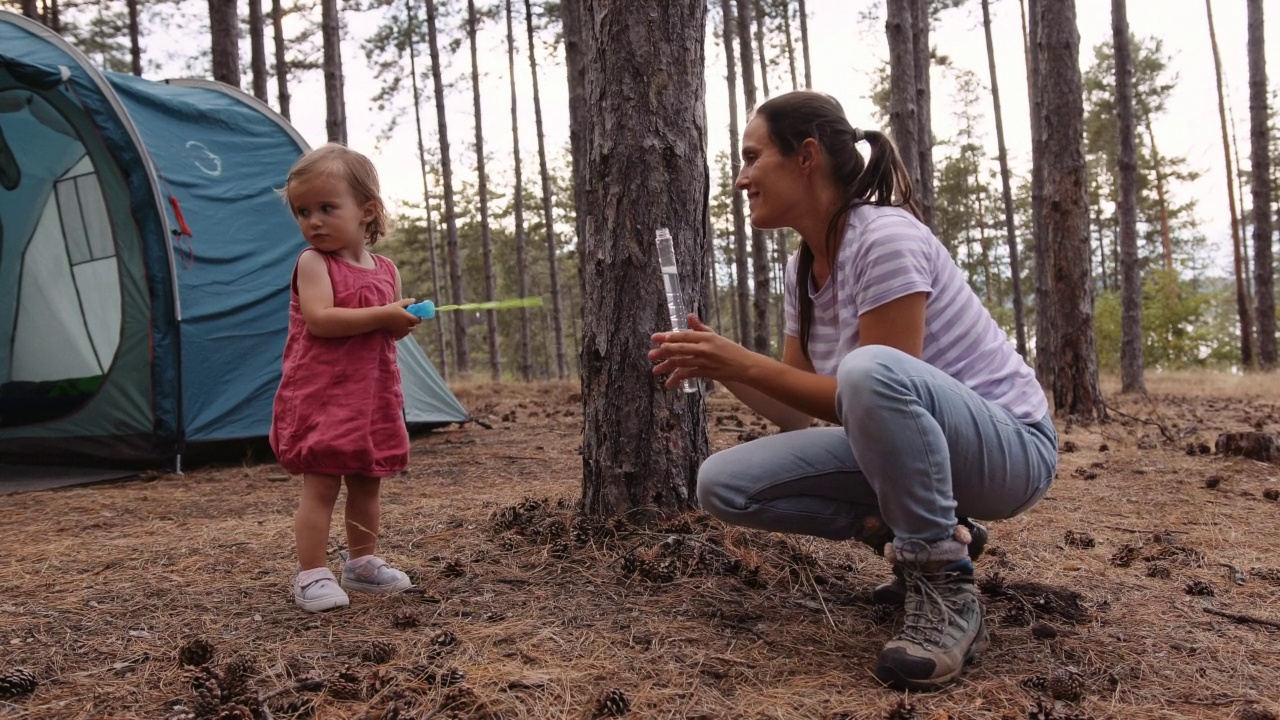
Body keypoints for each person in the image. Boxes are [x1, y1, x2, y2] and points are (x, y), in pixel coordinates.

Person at [648, 91, 1057, 690]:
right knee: (722, 484)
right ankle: (924, 534)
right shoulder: (801, 269)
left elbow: (877, 383)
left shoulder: (884, 237)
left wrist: (742, 360)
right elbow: (794, 409)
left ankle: (945, 590)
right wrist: (725, 367)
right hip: (912, 445)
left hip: (1010, 451)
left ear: (806, 156)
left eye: (752, 156)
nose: (740, 179)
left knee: (870, 369)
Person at [271, 143, 422, 612]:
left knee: (366, 481)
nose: (313, 221)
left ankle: (361, 563)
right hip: (320, 394)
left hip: (371, 395)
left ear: (367, 210)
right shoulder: (313, 263)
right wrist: (383, 314)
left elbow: (381, 337)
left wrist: (399, 323)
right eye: (302, 211)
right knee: (321, 486)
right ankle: (311, 573)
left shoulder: (386, 270)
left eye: (326, 208)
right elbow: (321, 319)